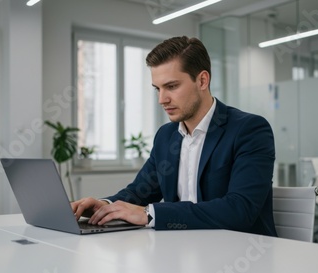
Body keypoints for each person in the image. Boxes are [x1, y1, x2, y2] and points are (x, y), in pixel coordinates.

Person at [71, 36, 277, 236]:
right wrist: (105, 206)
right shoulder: (166, 136)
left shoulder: (249, 129)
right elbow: (139, 192)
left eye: (171, 86)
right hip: (182, 250)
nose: (162, 99)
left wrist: (149, 214)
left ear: (202, 80)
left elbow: (240, 209)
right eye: (157, 89)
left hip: (240, 253)